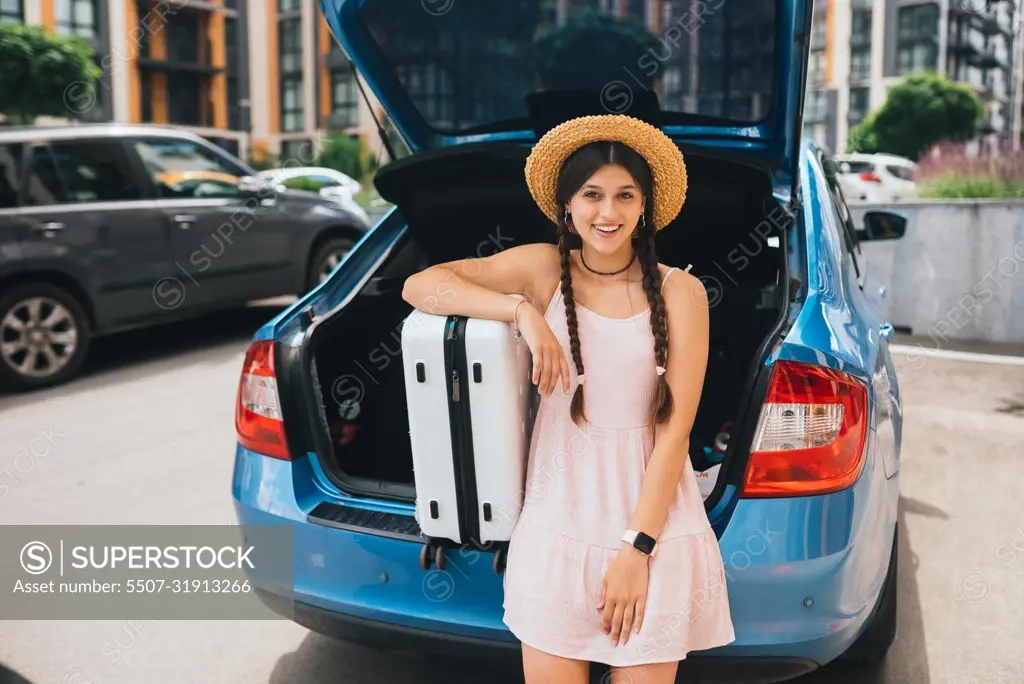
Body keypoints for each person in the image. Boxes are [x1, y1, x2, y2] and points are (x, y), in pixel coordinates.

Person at [401, 114, 735, 684]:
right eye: (592, 195)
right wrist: (521, 311)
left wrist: (637, 549)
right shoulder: (541, 270)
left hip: (652, 531)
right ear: (567, 204)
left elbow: (675, 433)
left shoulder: (683, 292)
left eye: (625, 196)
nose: (608, 213)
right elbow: (422, 285)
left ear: (645, 206)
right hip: (556, 530)